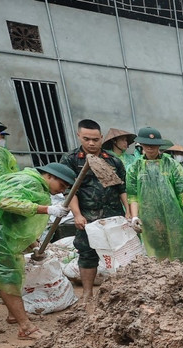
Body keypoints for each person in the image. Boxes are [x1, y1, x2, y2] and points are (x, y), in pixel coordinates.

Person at [0, 163, 73, 339]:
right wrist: (47, 209)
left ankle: (14, 315)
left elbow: (18, 223)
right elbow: (7, 202)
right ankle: (26, 328)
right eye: (62, 185)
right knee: (7, 277)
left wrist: (34, 245)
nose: (62, 190)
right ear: (49, 176)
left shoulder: (37, 186)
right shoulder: (28, 181)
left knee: (11, 274)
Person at [58, 119, 128, 303]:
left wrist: (128, 212)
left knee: (120, 252)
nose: (91, 143)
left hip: (113, 214)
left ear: (101, 138)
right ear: (79, 136)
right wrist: (77, 215)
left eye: (95, 139)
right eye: (86, 139)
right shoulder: (71, 159)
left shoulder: (112, 160)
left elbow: (122, 189)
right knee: (87, 253)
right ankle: (87, 293)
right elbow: (70, 191)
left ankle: (122, 292)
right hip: (87, 216)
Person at [126, 127, 183, 261]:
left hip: (174, 215)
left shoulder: (172, 165)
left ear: (159, 145)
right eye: (147, 144)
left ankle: (181, 270)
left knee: (179, 247)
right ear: (141, 145)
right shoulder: (135, 168)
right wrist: (135, 216)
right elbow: (132, 195)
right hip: (150, 217)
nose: (150, 148)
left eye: (154, 145)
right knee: (158, 248)